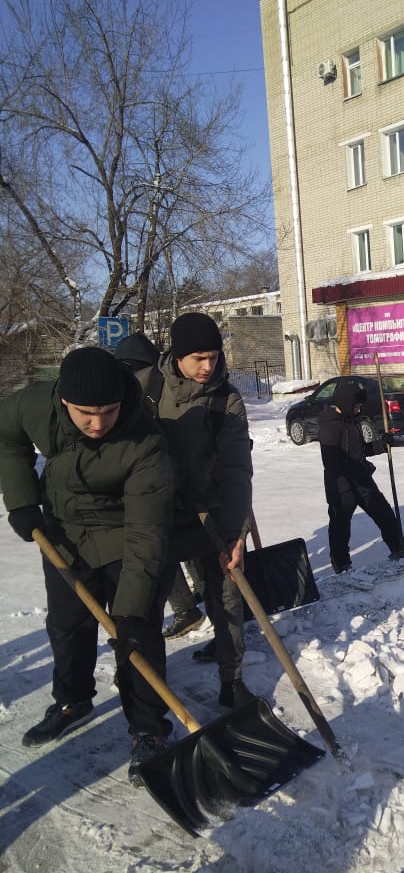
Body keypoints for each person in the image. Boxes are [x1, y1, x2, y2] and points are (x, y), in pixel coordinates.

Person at [0, 346, 176, 781]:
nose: (98, 424)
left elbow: (146, 534)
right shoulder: (35, 404)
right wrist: (22, 500)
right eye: (85, 414)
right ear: (63, 402)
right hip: (64, 531)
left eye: (109, 412)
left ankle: (149, 729)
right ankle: (72, 700)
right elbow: (6, 434)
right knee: (66, 625)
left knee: (137, 636)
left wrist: (132, 610)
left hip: (124, 534)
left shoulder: (145, 442)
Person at [139, 313, 254, 708]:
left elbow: (236, 469)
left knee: (227, 594)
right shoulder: (146, 390)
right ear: (177, 355)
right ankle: (149, 697)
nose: (208, 367)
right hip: (156, 516)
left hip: (210, 509)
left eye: (214, 357)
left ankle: (232, 682)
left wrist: (236, 534)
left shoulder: (226, 399)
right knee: (146, 604)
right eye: (198, 359)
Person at [113, 332, 206, 639]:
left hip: (157, 483)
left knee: (160, 549)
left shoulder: (133, 391)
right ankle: (204, 593)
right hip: (186, 480)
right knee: (193, 540)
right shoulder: (169, 383)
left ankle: (185, 609)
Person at [319, 378, 404, 573]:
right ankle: (342, 564)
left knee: (384, 514)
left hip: (362, 479)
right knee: (340, 527)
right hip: (341, 486)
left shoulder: (351, 421)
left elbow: (359, 451)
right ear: (345, 403)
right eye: (356, 405)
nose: (359, 409)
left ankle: (399, 547)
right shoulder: (329, 426)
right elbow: (331, 462)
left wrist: (381, 444)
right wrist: (344, 488)